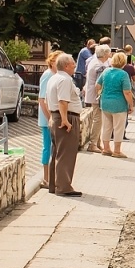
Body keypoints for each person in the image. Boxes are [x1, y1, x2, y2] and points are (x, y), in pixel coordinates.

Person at [46, 53, 82, 197]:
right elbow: (63, 101)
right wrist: (65, 120)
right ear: (66, 66)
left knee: (57, 152)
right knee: (66, 154)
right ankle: (64, 187)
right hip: (66, 118)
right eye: (73, 63)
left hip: (56, 117)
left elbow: (50, 100)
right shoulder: (65, 80)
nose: (75, 65)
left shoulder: (53, 78)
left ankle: (54, 185)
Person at [99, 52, 135, 158]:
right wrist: (131, 105)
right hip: (119, 104)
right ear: (123, 62)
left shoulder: (106, 71)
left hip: (105, 103)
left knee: (106, 127)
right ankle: (117, 151)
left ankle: (106, 148)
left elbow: (97, 85)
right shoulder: (123, 74)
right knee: (118, 127)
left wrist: (102, 93)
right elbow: (127, 92)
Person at [37, 50, 62, 189]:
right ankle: (46, 178)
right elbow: (42, 99)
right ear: (52, 62)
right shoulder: (48, 75)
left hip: (50, 117)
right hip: (47, 118)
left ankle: (51, 177)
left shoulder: (54, 75)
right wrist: (49, 117)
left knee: (52, 147)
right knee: (47, 146)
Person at [83, 44, 110, 145]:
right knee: (98, 119)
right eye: (108, 52)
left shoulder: (97, 62)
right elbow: (100, 83)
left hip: (94, 94)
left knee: (98, 119)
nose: (110, 54)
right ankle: (93, 143)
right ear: (104, 54)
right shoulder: (99, 66)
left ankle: (97, 143)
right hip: (97, 95)